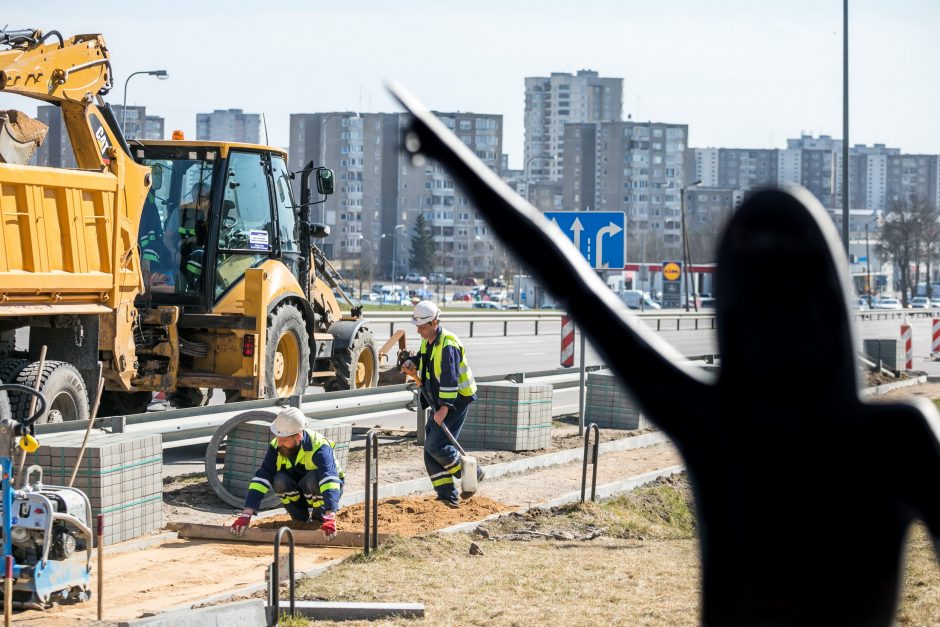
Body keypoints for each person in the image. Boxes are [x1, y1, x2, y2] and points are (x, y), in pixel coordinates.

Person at [400, 300, 484, 508]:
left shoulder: (448, 345)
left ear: (435, 322)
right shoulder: (428, 339)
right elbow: (425, 359)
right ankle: (447, 495)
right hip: (440, 399)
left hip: (455, 400)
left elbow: (450, 378)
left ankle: (473, 474)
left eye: (422, 326)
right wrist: (414, 362)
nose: (418, 330)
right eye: (417, 325)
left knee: (437, 446)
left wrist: (444, 409)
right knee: (430, 449)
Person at [231, 407, 344, 538]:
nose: (279, 443)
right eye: (278, 438)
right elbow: (262, 478)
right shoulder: (276, 446)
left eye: (284, 440)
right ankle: (300, 519)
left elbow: (329, 480)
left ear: (298, 436)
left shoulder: (319, 446)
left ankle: (319, 519)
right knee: (279, 480)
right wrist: (246, 513)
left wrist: (330, 515)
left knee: (312, 479)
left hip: (326, 486)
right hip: (299, 485)